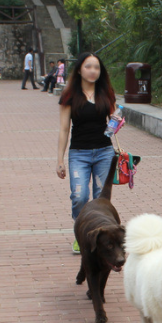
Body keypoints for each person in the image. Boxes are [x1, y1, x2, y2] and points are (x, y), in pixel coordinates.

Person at [55, 53, 118, 254]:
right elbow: (64, 129)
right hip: (79, 153)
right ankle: (80, 234)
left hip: (104, 152)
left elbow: (114, 124)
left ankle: (102, 237)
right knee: (79, 196)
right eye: (88, 66)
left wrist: (117, 121)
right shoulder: (69, 96)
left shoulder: (106, 93)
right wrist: (60, 160)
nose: (93, 71)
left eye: (97, 67)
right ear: (80, 69)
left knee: (101, 198)